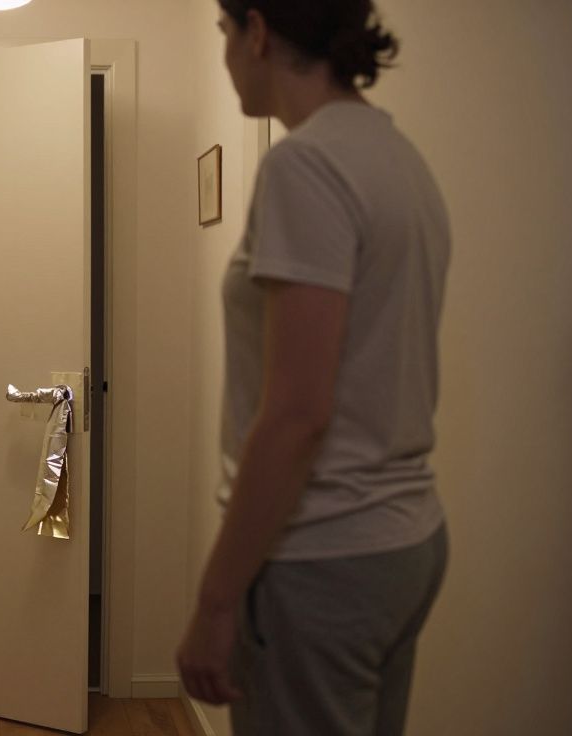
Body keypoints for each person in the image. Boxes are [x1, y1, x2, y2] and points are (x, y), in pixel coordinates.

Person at [176, 1, 451, 734]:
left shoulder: (304, 164)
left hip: (320, 558)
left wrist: (214, 602)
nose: (226, 57)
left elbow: (297, 415)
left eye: (224, 35)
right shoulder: (400, 160)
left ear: (258, 32)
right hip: (404, 543)